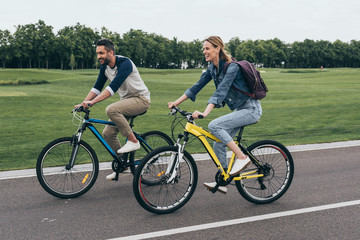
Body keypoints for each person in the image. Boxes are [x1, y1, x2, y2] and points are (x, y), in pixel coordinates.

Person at [168, 36, 262, 194]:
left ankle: (242, 157)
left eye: (207, 48)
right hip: (240, 110)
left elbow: (221, 90)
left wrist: (205, 113)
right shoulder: (212, 68)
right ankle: (225, 179)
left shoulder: (232, 67)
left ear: (217, 49)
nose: (204, 51)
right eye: (203, 49)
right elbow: (197, 86)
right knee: (218, 143)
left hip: (251, 109)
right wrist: (176, 103)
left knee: (214, 125)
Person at [75, 39, 151, 180]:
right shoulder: (104, 68)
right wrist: (83, 103)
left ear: (111, 52)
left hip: (141, 99)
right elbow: (97, 88)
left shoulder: (125, 63)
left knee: (111, 109)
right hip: (127, 101)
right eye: (97, 53)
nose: (99, 57)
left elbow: (112, 88)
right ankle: (124, 165)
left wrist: (92, 103)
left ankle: (133, 141)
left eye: (101, 53)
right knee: (108, 133)